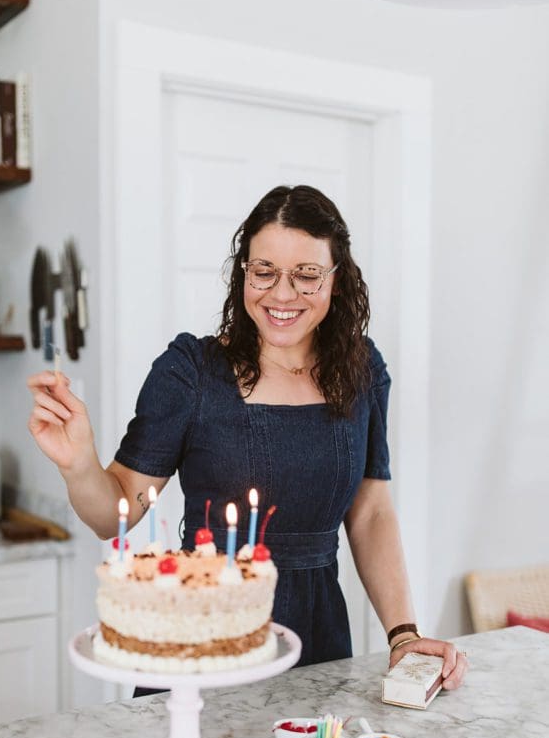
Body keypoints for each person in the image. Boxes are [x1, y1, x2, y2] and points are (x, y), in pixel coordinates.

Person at [27, 185, 468, 691]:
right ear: (244, 274)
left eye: (306, 275)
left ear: (337, 281)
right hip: (205, 639)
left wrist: (403, 635)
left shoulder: (362, 370)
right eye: (264, 272)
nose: (282, 294)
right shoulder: (191, 373)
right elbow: (115, 512)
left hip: (319, 641)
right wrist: (78, 460)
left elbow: (370, 512)